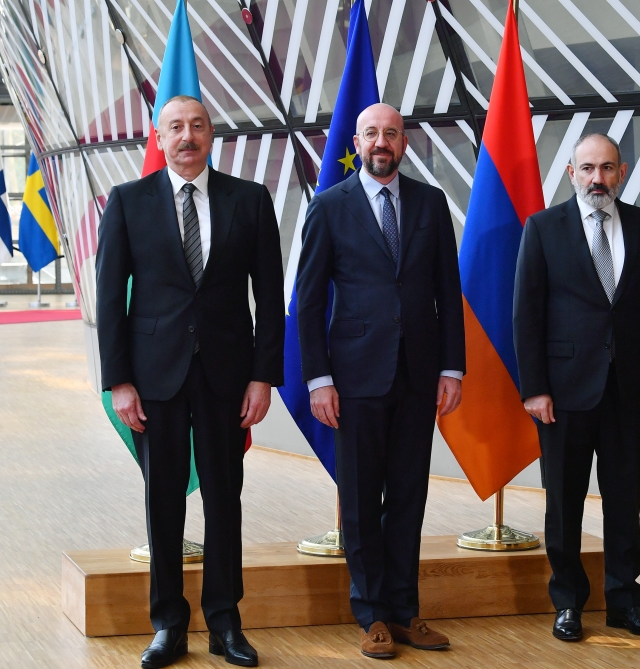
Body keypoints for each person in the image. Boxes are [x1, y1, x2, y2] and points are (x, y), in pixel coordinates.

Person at [95, 95, 284, 669]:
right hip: (155, 379)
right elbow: (110, 300)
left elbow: (270, 296)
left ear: (210, 135)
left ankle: (225, 622)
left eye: (197, 126)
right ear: (160, 137)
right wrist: (119, 381)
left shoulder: (249, 200)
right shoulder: (127, 202)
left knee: (226, 500)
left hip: (228, 377)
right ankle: (168, 625)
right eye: (175, 127)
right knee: (163, 503)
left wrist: (263, 376)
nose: (187, 136)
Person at [295, 103, 466, 659]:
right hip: (354, 379)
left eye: (391, 133)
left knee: (410, 497)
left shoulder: (430, 203)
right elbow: (309, 302)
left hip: (418, 376)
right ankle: (371, 615)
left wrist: (452, 367)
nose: (381, 142)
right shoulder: (329, 206)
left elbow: (448, 291)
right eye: (371, 133)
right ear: (357, 142)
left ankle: (404, 611)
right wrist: (318, 379)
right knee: (362, 501)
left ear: (404, 143)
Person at [513, 133, 640, 642]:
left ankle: (624, 601)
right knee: (564, 501)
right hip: (563, 393)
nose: (597, 178)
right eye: (587, 168)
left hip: (632, 388)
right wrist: (534, 388)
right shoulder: (543, 228)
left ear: (621, 172)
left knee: (624, 498)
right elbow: (526, 314)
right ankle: (568, 602)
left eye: (607, 168)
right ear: (572, 173)